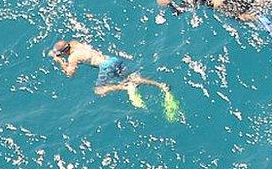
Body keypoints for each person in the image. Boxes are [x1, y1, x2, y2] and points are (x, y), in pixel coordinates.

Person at [48, 40, 179, 120]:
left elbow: (70, 74)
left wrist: (59, 61)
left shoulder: (72, 58)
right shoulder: (75, 42)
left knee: (99, 90)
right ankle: (160, 85)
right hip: (112, 59)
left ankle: (125, 87)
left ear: (65, 52)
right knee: (134, 78)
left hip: (105, 66)